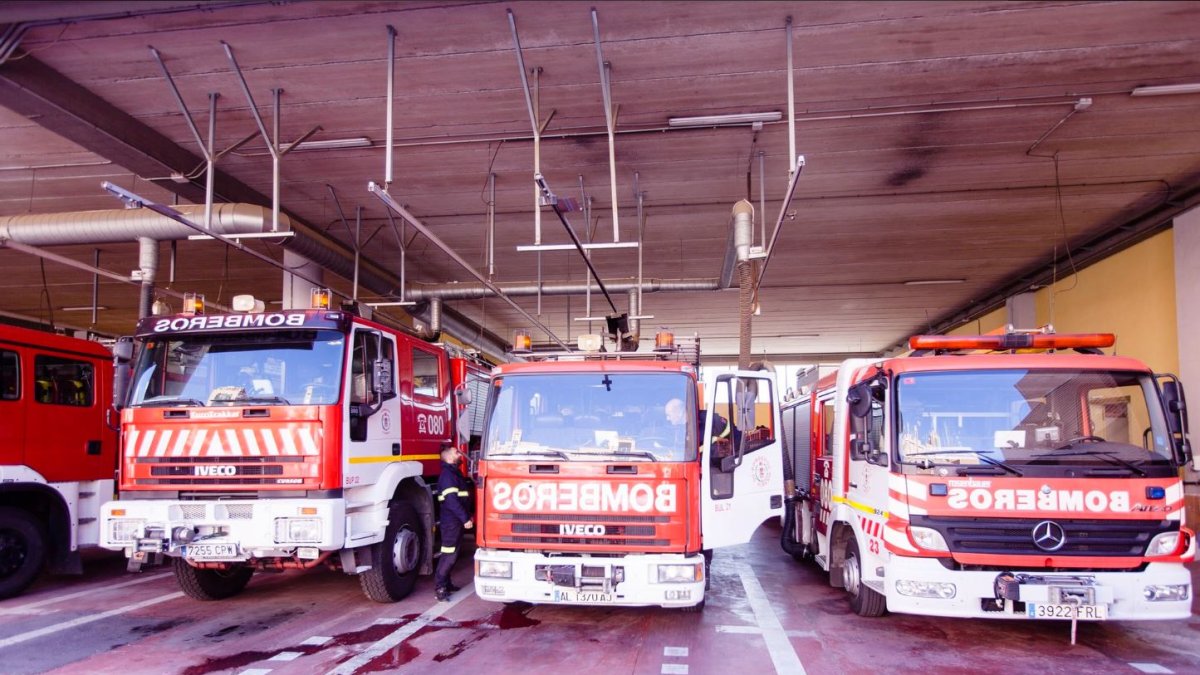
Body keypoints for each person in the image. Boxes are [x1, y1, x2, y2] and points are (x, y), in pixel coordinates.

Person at [434, 444, 473, 601]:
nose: (460, 454)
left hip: (453, 521)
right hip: (452, 522)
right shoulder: (449, 476)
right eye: (456, 452)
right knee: (449, 555)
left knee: (452, 554)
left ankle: (447, 583)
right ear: (449, 457)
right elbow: (452, 501)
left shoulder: (453, 473)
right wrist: (465, 519)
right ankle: (440, 588)